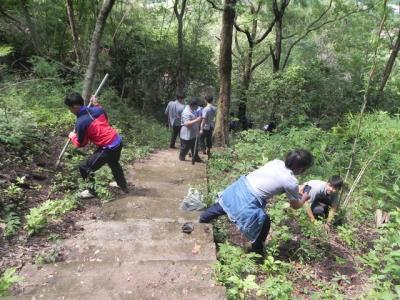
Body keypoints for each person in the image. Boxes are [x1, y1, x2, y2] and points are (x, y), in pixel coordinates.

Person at [199, 149, 314, 254]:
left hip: (237, 188)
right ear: (300, 169)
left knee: (223, 205)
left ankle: (203, 218)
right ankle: (256, 250)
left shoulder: (276, 162)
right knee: (264, 222)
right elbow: (295, 206)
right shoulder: (291, 181)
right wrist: (304, 198)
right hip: (247, 199)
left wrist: (292, 191)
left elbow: (271, 181)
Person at [65, 92, 128, 199]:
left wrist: (72, 136)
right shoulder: (98, 110)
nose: (69, 110)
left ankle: (91, 191)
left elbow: (81, 143)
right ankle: (122, 185)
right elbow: (105, 119)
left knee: (84, 167)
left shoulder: (81, 122)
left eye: (70, 108)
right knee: (114, 164)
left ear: (75, 107)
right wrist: (96, 104)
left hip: (108, 148)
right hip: (117, 141)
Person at [179, 97, 202, 162]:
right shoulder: (186, 112)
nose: (198, 107)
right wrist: (196, 120)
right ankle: (181, 157)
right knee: (185, 148)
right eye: (197, 106)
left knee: (195, 146)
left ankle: (195, 157)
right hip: (187, 134)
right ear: (193, 105)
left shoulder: (193, 109)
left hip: (193, 133)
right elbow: (186, 124)